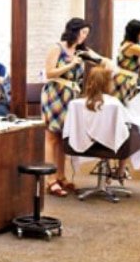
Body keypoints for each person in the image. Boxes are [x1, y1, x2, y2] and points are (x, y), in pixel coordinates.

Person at [41, 17, 109, 197]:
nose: (85, 36)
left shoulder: (81, 51)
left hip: (71, 96)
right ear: (74, 31)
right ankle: (51, 179)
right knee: (52, 137)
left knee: (64, 137)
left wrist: (102, 62)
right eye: (83, 32)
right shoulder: (58, 48)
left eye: (87, 33)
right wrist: (71, 64)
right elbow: (49, 73)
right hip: (55, 94)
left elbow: (103, 61)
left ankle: (61, 176)